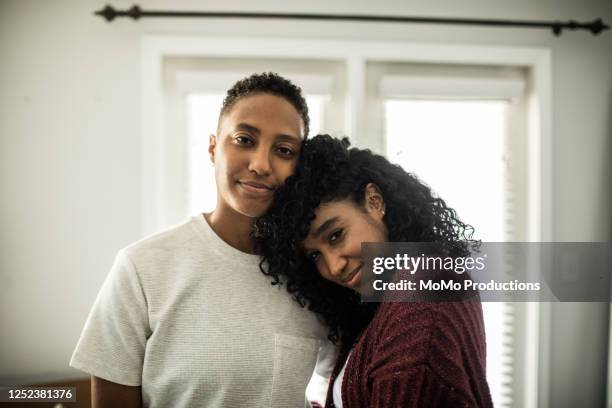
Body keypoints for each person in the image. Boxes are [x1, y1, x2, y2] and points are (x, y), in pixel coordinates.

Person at [70, 73, 328, 408]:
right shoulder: (141, 268)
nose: (261, 164)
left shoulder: (319, 269)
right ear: (212, 147)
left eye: (283, 150)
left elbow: (407, 301)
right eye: (244, 140)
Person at [255, 135, 493, 407]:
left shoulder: (422, 295)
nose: (334, 266)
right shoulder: (391, 294)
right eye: (315, 255)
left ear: (374, 201)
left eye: (335, 236)